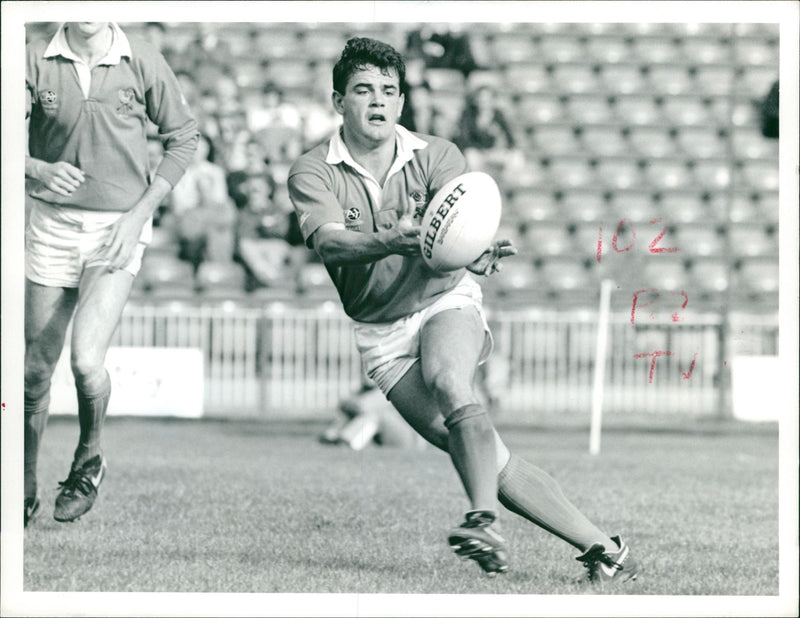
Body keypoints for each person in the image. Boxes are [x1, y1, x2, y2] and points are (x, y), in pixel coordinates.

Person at [288, 37, 640, 583]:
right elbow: (332, 244)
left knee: (453, 383)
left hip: (443, 298)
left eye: (388, 91)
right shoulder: (312, 170)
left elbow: (452, 231)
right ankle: (606, 549)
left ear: (402, 103)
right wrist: (396, 240)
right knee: (486, 456)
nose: (377, 101)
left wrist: (472, 251)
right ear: (339, 102)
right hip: (380, 333)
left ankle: (483, 523)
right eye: (362, 90)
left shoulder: (439, 155)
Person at [24, 22, 199, 526]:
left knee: (84, 360)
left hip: (118, 227)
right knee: (34, 372)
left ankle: (89, 458)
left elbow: (183, 139)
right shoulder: (32, 57)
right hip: (51, 224)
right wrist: (37, 169)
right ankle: (25, 484)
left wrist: (139, 215)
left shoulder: (140, 57)